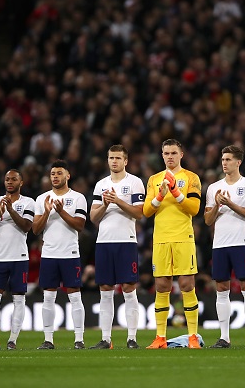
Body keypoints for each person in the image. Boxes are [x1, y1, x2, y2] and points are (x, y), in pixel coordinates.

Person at [143, 139, 202, 349]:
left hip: (183, 237)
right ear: (162, 155)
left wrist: (176, 192)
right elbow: (146, 211)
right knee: (161, 286)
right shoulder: (154, 179)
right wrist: (160, 195)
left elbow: (194, 208)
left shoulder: (191, 178)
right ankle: (160, 338)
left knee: (186, 284)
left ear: (181, 154)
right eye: (166, 153)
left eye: (173, 153)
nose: (170, 156)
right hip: (160, 238)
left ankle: (193, 336)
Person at [89, 145, 145, 349]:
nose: (114, 161)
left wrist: (118, 201)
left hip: (126, 241)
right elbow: (93, 217)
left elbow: (139, 213)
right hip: (104, 242)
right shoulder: (100, 185)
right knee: (105, 289)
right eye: (111, 158)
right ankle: (106, 339)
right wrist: (105, 204)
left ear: (126, 161)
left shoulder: (135, 182)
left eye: (118, 158)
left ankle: (132, 338)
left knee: (129, 288)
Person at [204, 145, 245, 349]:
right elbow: (208, 221)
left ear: (238, 162)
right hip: (219, 244)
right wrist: (218, 206)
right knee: (221, 288)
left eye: (228, 159)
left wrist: (229, 203)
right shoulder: (213, 188)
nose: (224, 163)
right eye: (223, 159)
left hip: (240, 242)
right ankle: (224, 337)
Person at [32, 159, 88, 350]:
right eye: (53, 174)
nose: (55, 177)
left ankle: (79, 339)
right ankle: (48, 340)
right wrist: (47, 212)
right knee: (48, 297)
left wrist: (61, 211)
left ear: (67, 175)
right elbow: (35, 229)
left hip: (70, 253)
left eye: (59, 173)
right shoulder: (42, 199)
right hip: (49, 254)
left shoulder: (78, 198)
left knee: (75, 297)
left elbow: (80, 225)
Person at [0, 169, 36, 350]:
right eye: (7, 179)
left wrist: (10, 210)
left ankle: (12, 340)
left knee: (19, 299)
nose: (10, 182)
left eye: (14, 179)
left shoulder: (28, 202)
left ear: (21, 183)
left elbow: (26, 226)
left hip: (19, 257)